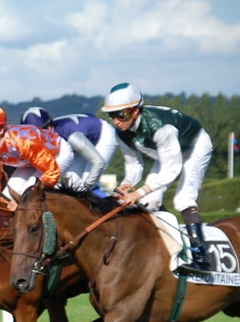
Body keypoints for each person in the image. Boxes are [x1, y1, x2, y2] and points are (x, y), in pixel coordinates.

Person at [102, 82, 213, 276]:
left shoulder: (160, 126)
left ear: (136, 111)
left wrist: (138, 192)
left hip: (194, 147)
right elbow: (134, 166)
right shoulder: (121, 133)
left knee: (184, 198)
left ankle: (201, 258)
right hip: (167, 153)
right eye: (112, 115)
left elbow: (172, 169)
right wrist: (126, 185)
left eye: (121, 114)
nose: (116, 121)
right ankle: (167, 250)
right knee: (149, 201)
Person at [0, 103, 72, 200]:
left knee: (28, 195)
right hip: (30, 159)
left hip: (58, 153)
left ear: (0, 130)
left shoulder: (23, 142)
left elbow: (52, 171)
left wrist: (24, 198)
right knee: (7, 195)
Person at [21, 107, 118, 196]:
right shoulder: (51, 134)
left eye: (37, 134)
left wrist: (87, 187)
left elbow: (99, 162)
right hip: (82, 140)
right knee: (73, 184)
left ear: (49, 128)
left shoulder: (71, 136)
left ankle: (113, 206)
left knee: (87, 183)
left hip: (102, 135)